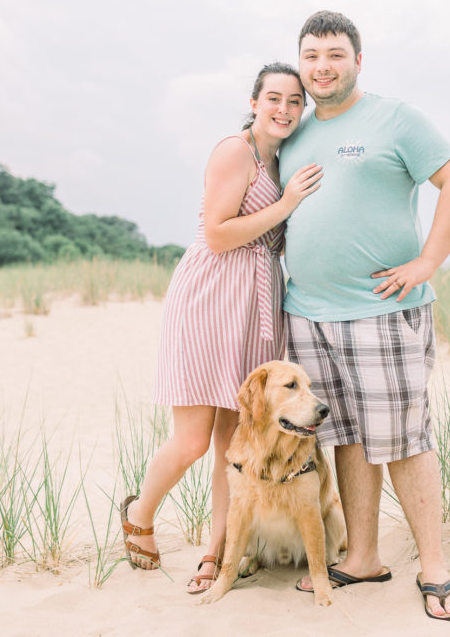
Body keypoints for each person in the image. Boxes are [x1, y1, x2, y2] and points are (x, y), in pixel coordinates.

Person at [279, 11, 450, 621]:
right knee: (345, 436)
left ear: (357, 61)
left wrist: (427, 262)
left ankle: (435, 569)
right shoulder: (296, 132)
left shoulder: (395, 117)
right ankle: (363, 556)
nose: (322, 66)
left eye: (335, 54)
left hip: (382, 311)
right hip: (307, 313)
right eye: (311, 55)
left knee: (404, 438)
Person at [120, 62, 323, 594]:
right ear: (254, 103)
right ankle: (139, 513)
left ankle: (215, 552)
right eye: (273, 98)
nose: (283, 109)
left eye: (294, 101)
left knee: (234, 444)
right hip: (212, 292)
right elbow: (216, 234)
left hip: (258, 302)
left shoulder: (284, 158)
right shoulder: (235, 151)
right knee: (190, 440)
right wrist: (287, 204)